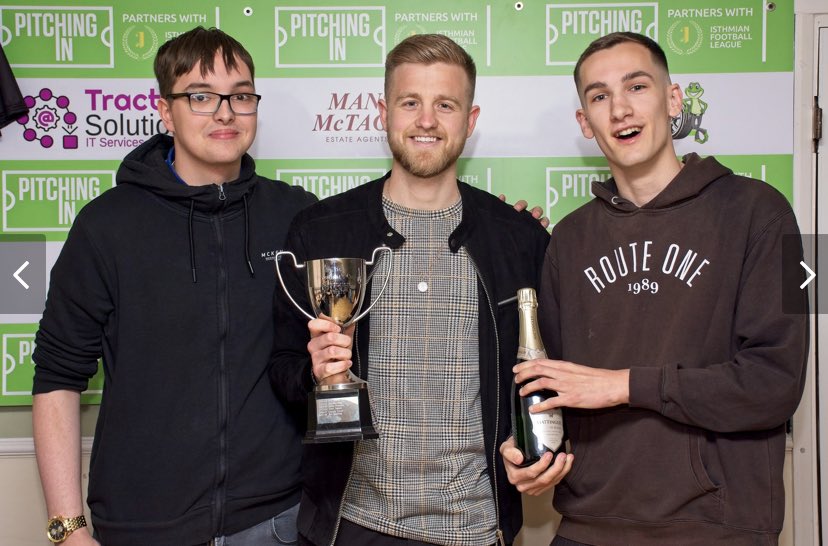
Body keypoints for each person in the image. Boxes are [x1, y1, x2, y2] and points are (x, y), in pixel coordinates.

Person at [500, 31, 809, 545]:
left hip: (718, 530)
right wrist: (528, 453)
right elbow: (551, 388)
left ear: (673, 99)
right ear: (585, 122)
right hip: (586, 527)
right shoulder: (569, 240)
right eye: (599, 96)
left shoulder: (766, 211)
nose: (620, 109)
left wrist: (624, 385)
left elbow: (777, 386)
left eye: (637, 87)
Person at [31, 27, 317, 546]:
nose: (225, 112)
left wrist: (502, 227)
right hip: (143, 525)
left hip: (276, 520)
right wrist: (68, 529)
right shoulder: (106, 226)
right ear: (166, 111)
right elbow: (57, 378)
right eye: (201, 96)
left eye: (241, 95)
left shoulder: (294, 215)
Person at [270, 33, 550, 546]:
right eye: (410, 103)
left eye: (445, 104)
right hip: (351, 526)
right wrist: (313, 372)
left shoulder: (519, 239)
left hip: (476, 528)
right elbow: (282, 368)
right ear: (383, 112)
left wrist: (542, 455)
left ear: (471, 118)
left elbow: (546, 375)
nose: (426, 120)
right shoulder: (320, 230)